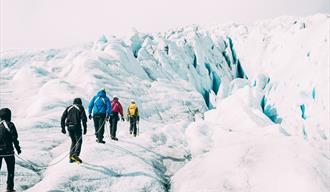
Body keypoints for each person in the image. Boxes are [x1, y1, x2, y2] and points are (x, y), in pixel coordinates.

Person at [0, 108, 21, 192]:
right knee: (10, 170)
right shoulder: (10, 125)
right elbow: (14, 138)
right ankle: (9, 188)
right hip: (9, 152)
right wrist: (18, 149)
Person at [61, 98, 87, 163]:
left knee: (73, 141)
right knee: (79, 141)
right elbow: (84, 118)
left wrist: (63, 128)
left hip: (69, 127)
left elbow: (62, 118)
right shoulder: (80, 107)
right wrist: (85, 128)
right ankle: (76, 155)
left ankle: (71, 158)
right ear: (80, 102)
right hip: (76, 126)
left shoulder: (68, 108)